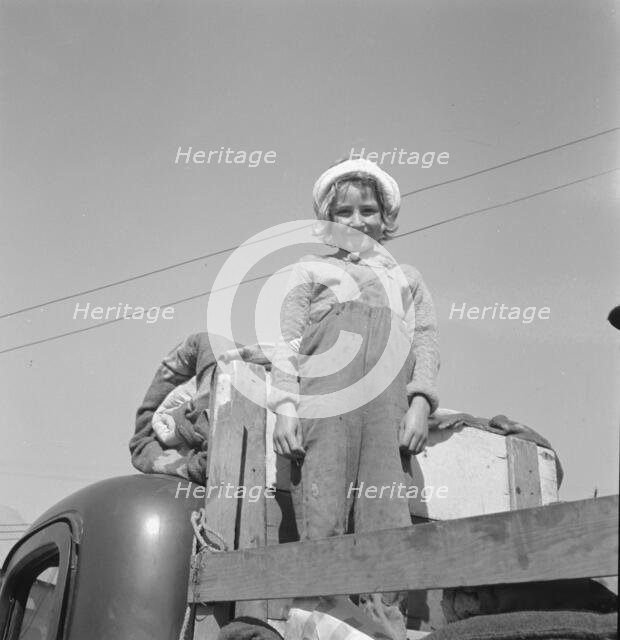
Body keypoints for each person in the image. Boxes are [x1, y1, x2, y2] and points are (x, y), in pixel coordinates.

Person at [268, 158, 440, 640]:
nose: (358, 221)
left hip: (387, 414)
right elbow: (287, 342)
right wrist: (284, 408)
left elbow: (425, 341)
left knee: (386, 517)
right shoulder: (309, 270)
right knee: (322, 510)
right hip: (325, 407)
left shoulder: (407, 278)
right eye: (345, 212)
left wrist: (421, 404)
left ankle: (386, 628)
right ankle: (319, 622)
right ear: (328, 222)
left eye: (368, 210)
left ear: (386, 219)